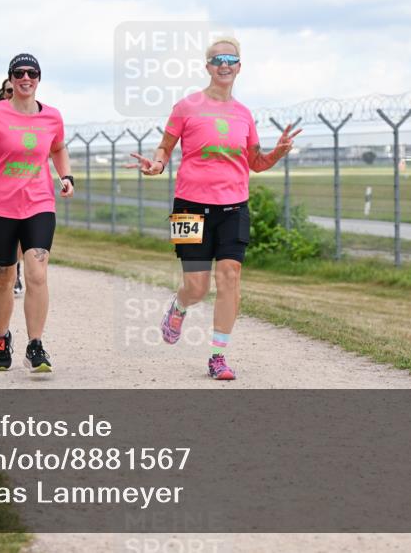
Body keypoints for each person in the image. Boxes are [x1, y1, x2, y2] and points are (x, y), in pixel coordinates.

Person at [128, 37, 301, 380]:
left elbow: (256, 163)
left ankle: (218, 356)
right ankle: (178, 307)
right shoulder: (186, 107)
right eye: (218, 59)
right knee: (196, 286)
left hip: (234, 207)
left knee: (230, 278)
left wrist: (278, 152)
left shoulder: (244, 114)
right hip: (189, 207)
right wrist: (157, 165)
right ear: (207, 66)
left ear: (239, 67)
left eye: (231, 59)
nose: (225, 64)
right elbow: (165, 148)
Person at [0, 54, 74, 373]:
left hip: (38, 205)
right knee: (3, 277)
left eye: (32, 72)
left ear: (39, 78)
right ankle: (1, 337)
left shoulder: (52, 116)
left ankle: (35, 345)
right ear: (11, 77)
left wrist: (66, 177)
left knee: (37, 273)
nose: (26, 77)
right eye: (19, 72)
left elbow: (58, 148)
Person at [0, 78, 26, 297]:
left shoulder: (31, 116)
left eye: (14, 90)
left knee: (22, 235)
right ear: (2, 94)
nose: (11, 94)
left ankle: (16, 271)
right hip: (0, 188)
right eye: (7, 91)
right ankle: (5, 272)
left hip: (25, 187)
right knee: (4, 237)